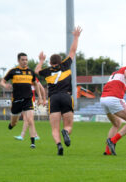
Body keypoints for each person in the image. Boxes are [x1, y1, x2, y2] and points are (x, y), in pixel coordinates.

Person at [35, 26, 82, 155]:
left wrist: (40, 60)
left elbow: (36, 71)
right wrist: (76, 37)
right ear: (60, 61)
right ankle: (66, 132)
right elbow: (73, 50)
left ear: (50, 62)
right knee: (68, 126)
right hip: (66, 97)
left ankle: (59, 145)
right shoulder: (66, 65)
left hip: (54, 99)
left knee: (54, 128)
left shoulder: (47, 71)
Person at [0, 52, 43, 148]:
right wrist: (4, 85)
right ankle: (11, 124)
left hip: (28, 100)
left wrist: (39, 97)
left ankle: (32, 143)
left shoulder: (30, 72)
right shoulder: (13, 71)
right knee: (14, 122)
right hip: (16, 101)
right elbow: (2, 81)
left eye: (26, 60)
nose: (25, 61)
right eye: (23, 60)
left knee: (30, 120)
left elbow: (36, 84)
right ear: (18, 61)